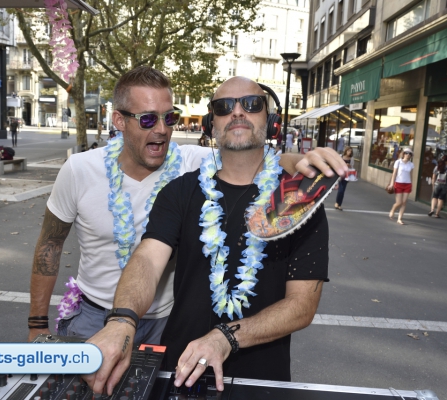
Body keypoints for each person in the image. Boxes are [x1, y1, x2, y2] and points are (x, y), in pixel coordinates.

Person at [28, 67, 346, 347]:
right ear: (119, 121)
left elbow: (251, 153)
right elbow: (49, 245)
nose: (162, 129)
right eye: (148, 119)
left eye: (170, 118)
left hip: (165, 323)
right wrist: (37, 324)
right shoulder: (79, 169)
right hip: (93, 317)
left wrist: (300, 161)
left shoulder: (190, 163)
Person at [84, 77, 333, 395]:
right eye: (224, 106)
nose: (238, 112)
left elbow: (302, 305)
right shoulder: (179, 192)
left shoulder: (298, 201)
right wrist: (122, 320)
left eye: (252, 104)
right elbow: (147, 259)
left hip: (261, 383)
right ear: (211, 122)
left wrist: (226, 336)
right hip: (180, 376)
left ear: (270, 119)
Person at [388, 148, 414, 225]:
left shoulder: (411, 164)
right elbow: (394, 173)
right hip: (398, 183)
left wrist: (411, 184)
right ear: (403, 154)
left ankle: (399, 219)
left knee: (404, 202)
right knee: (399, 202)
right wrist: (391, 184)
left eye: (410, 153)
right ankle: (393, 210)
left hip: (407, 184)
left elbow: (411, 175)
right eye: (406, 153)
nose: (408, 155)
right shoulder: (398, 162)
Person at [335, 146, 354, 211]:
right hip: (340, 174)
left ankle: (339, 204)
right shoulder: (341, 156)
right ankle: (337, 203)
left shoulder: (351, 158)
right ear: (346, 151)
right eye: (348, 151)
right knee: (340, 189)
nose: (349, 152)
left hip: (347, 175)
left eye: (350, 151)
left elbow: (352, 167)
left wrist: (349, 165)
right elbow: (337, 164)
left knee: (343, 190)